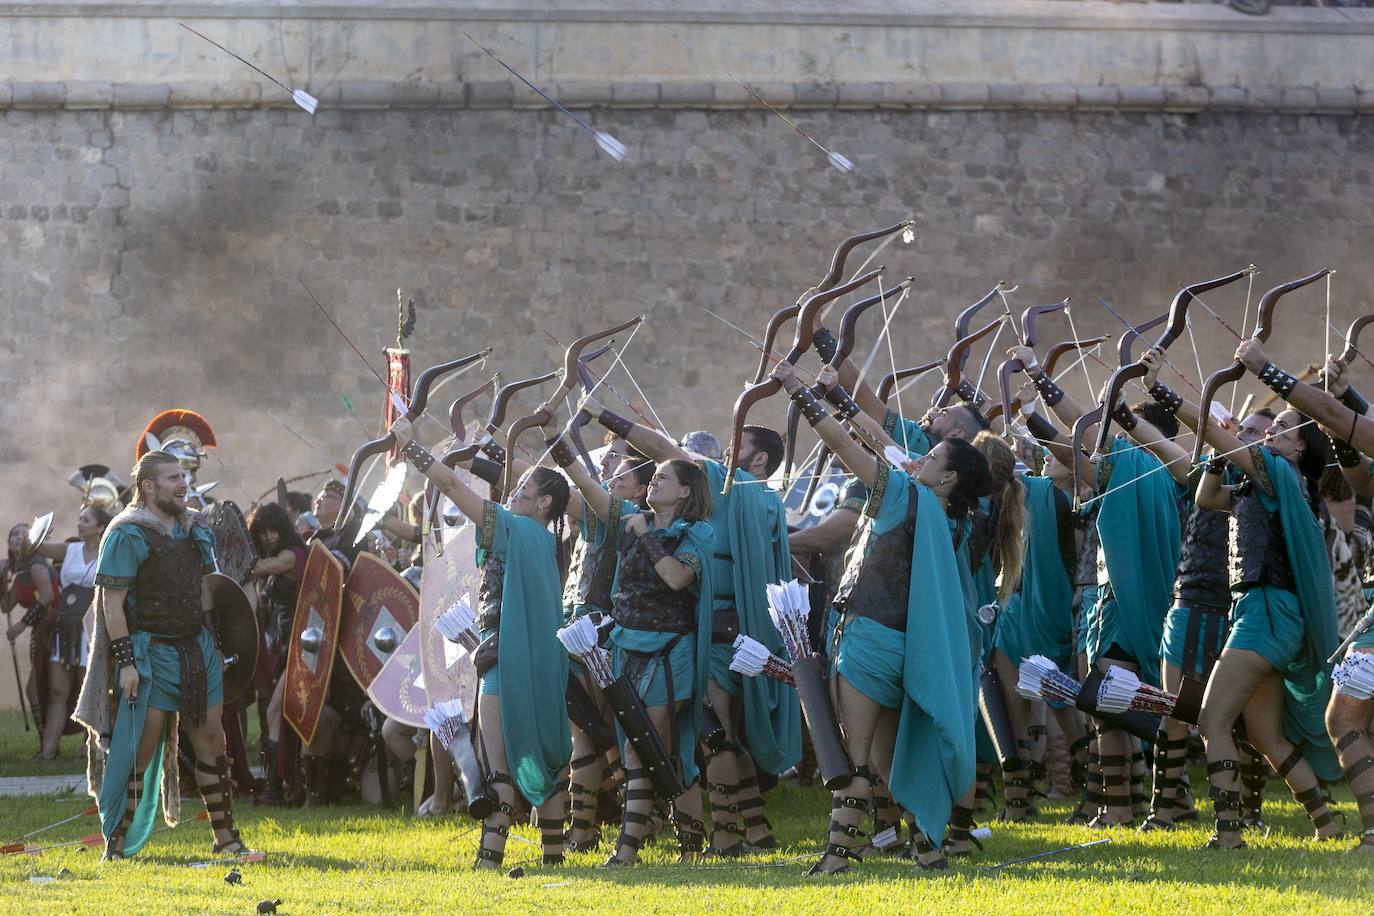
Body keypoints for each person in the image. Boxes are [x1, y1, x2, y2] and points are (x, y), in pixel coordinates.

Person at [771, 359, 983, 874]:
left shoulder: (903, 496)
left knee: (855, 757)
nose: (920, 458)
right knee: (890, 760)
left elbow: (849, 451)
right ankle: (930, 852)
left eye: (930, 455)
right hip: (903, 648)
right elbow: (878, 445)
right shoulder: (949, 519)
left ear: (948, 476)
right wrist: (839, 398)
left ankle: (835, 859)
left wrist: (799, 392)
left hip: (867, 639)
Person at [580, 394, 798, 856]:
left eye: (733, 450)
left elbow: (664, 449)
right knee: (714, 731)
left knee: (713, 733)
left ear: (758, 458)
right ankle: (750, 831)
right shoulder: (758, 498)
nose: (720, 457)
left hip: (714, 625)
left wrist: (603, 412)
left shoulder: (730, 489)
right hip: (726, 624)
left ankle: (723, 835)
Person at [391, 413, 571, 869]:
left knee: (499, 766)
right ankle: (553, 859)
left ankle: (490, 860)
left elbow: (452, 488)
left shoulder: (513, 530)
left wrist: (412, 448)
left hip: (506, 660)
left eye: (524, 492)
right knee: (548, 759)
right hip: (547, 663)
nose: (513, 495)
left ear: (545, 503)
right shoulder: (547, 541)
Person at [72, 450, 250, 860]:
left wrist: (219, 641)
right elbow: (112, 607)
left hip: (197, 650)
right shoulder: (126, 533)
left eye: (184, 475)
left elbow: (208, 590)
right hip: (148, 653)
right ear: (148, 486)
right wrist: (127, 663)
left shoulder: (194, 529)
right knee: (141, 748)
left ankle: (226, 838)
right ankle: (116, 844)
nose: (183, 483)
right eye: (172, 477)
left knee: (212, 743)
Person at [1190, 375, 1342, 849]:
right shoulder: (1274, 480)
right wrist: (1220, 456)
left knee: (1211, 721)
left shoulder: (1275, 473)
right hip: (1268, 614)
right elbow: (1207, 498)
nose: (1269, 433)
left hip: (1266, 613)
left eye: (1281, 428)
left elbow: (1213, 431)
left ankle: (1228, 837)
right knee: (1262, 732)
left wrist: (1166, 394)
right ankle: (1327, 824)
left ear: (1298, 449)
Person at [554, 425, 717, 866]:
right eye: (656, 476)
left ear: (685, 491)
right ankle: (659, 844)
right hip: (627, 649)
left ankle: (650, 846)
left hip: (671, 653)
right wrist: (558, 440)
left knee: (652, 747)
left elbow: (676, 578)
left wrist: (645, 534)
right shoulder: (626, 519)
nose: (656, 482)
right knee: (640, 749)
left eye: (665, 478)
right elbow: (588, 488)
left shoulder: (697, 534)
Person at [245, 502, 308, 805]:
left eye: (273, 530)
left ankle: (276, 788)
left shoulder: (291, 556)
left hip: (304, 646)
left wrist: (233, 552)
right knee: (278, 714)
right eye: (262, 532)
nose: (269, 536)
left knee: (275, 712)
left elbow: (257, 568)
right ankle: (283, 787)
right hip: (284, 645)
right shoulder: (275, 556)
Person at [5, 522, 64, 759]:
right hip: (41, 630)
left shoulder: (35, 563)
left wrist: (21, 625)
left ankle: (50, 747)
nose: (18, 537)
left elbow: (48, 596)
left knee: (42, 689)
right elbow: (7, 605)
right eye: (13, 534)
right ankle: (47, 746)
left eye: (23, 534)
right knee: (39, 689)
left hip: (56, 629)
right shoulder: (19, 569)